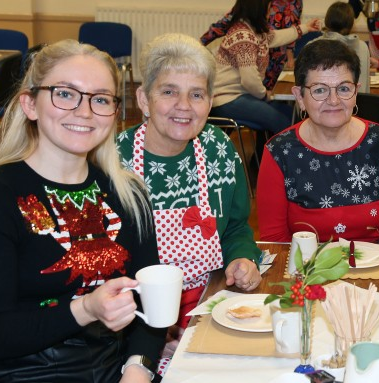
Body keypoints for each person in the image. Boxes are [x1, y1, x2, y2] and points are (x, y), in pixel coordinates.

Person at [0, 39, 162, 382]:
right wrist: (84, 308)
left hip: (116, 369)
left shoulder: (129, 193)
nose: (84, 112)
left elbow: (150, 308)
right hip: (21, 372)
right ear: (30, 104)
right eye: (65, 94)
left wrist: (137, 370)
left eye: (99, 99)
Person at [116, 33, 263, 372]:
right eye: (169, 92)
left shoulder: (219, 150)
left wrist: (242, 257)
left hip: (210, 308)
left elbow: (237, 225)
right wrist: (150, 332)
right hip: (135, 321)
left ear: (210, 102)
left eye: (196, 94)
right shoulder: (113, 161)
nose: (184, 105)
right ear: (143, 98)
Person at [257, 39, 379, 244]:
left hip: (377, 266)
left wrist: (369, 266)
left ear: (356, 91)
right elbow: (275, 240)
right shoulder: (280, 152)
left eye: (343, 88)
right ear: (299, 96)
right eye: (320, 90)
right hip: (307, 270)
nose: (333, 101)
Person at [211, 0, 320, 135]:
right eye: (269, 9)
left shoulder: (253, 31)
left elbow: (277, 36)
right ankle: (291, 154)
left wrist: (305, 28)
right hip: (227, 99)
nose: (270, 13)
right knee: (283, 122)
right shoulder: (244, 36)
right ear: (259, 10)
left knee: (290, 114)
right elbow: (250, 81)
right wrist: (264, 95)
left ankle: (277, 153)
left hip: (242, 96)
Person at [200, 0, 303, 90]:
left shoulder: (296, 2)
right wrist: (199, 44)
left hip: (276, 58)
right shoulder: (245, 33)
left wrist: (290, 56)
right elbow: (225, 23)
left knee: (275, 97)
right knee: (259, 94)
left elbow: (284, 33)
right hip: (254, 58)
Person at [309, 1, 370, 93]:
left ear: (326, 21)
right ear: (352, 24)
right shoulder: (363, 47)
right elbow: (365, 88)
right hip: (355, 105)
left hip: (321, 104)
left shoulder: (311, 47)